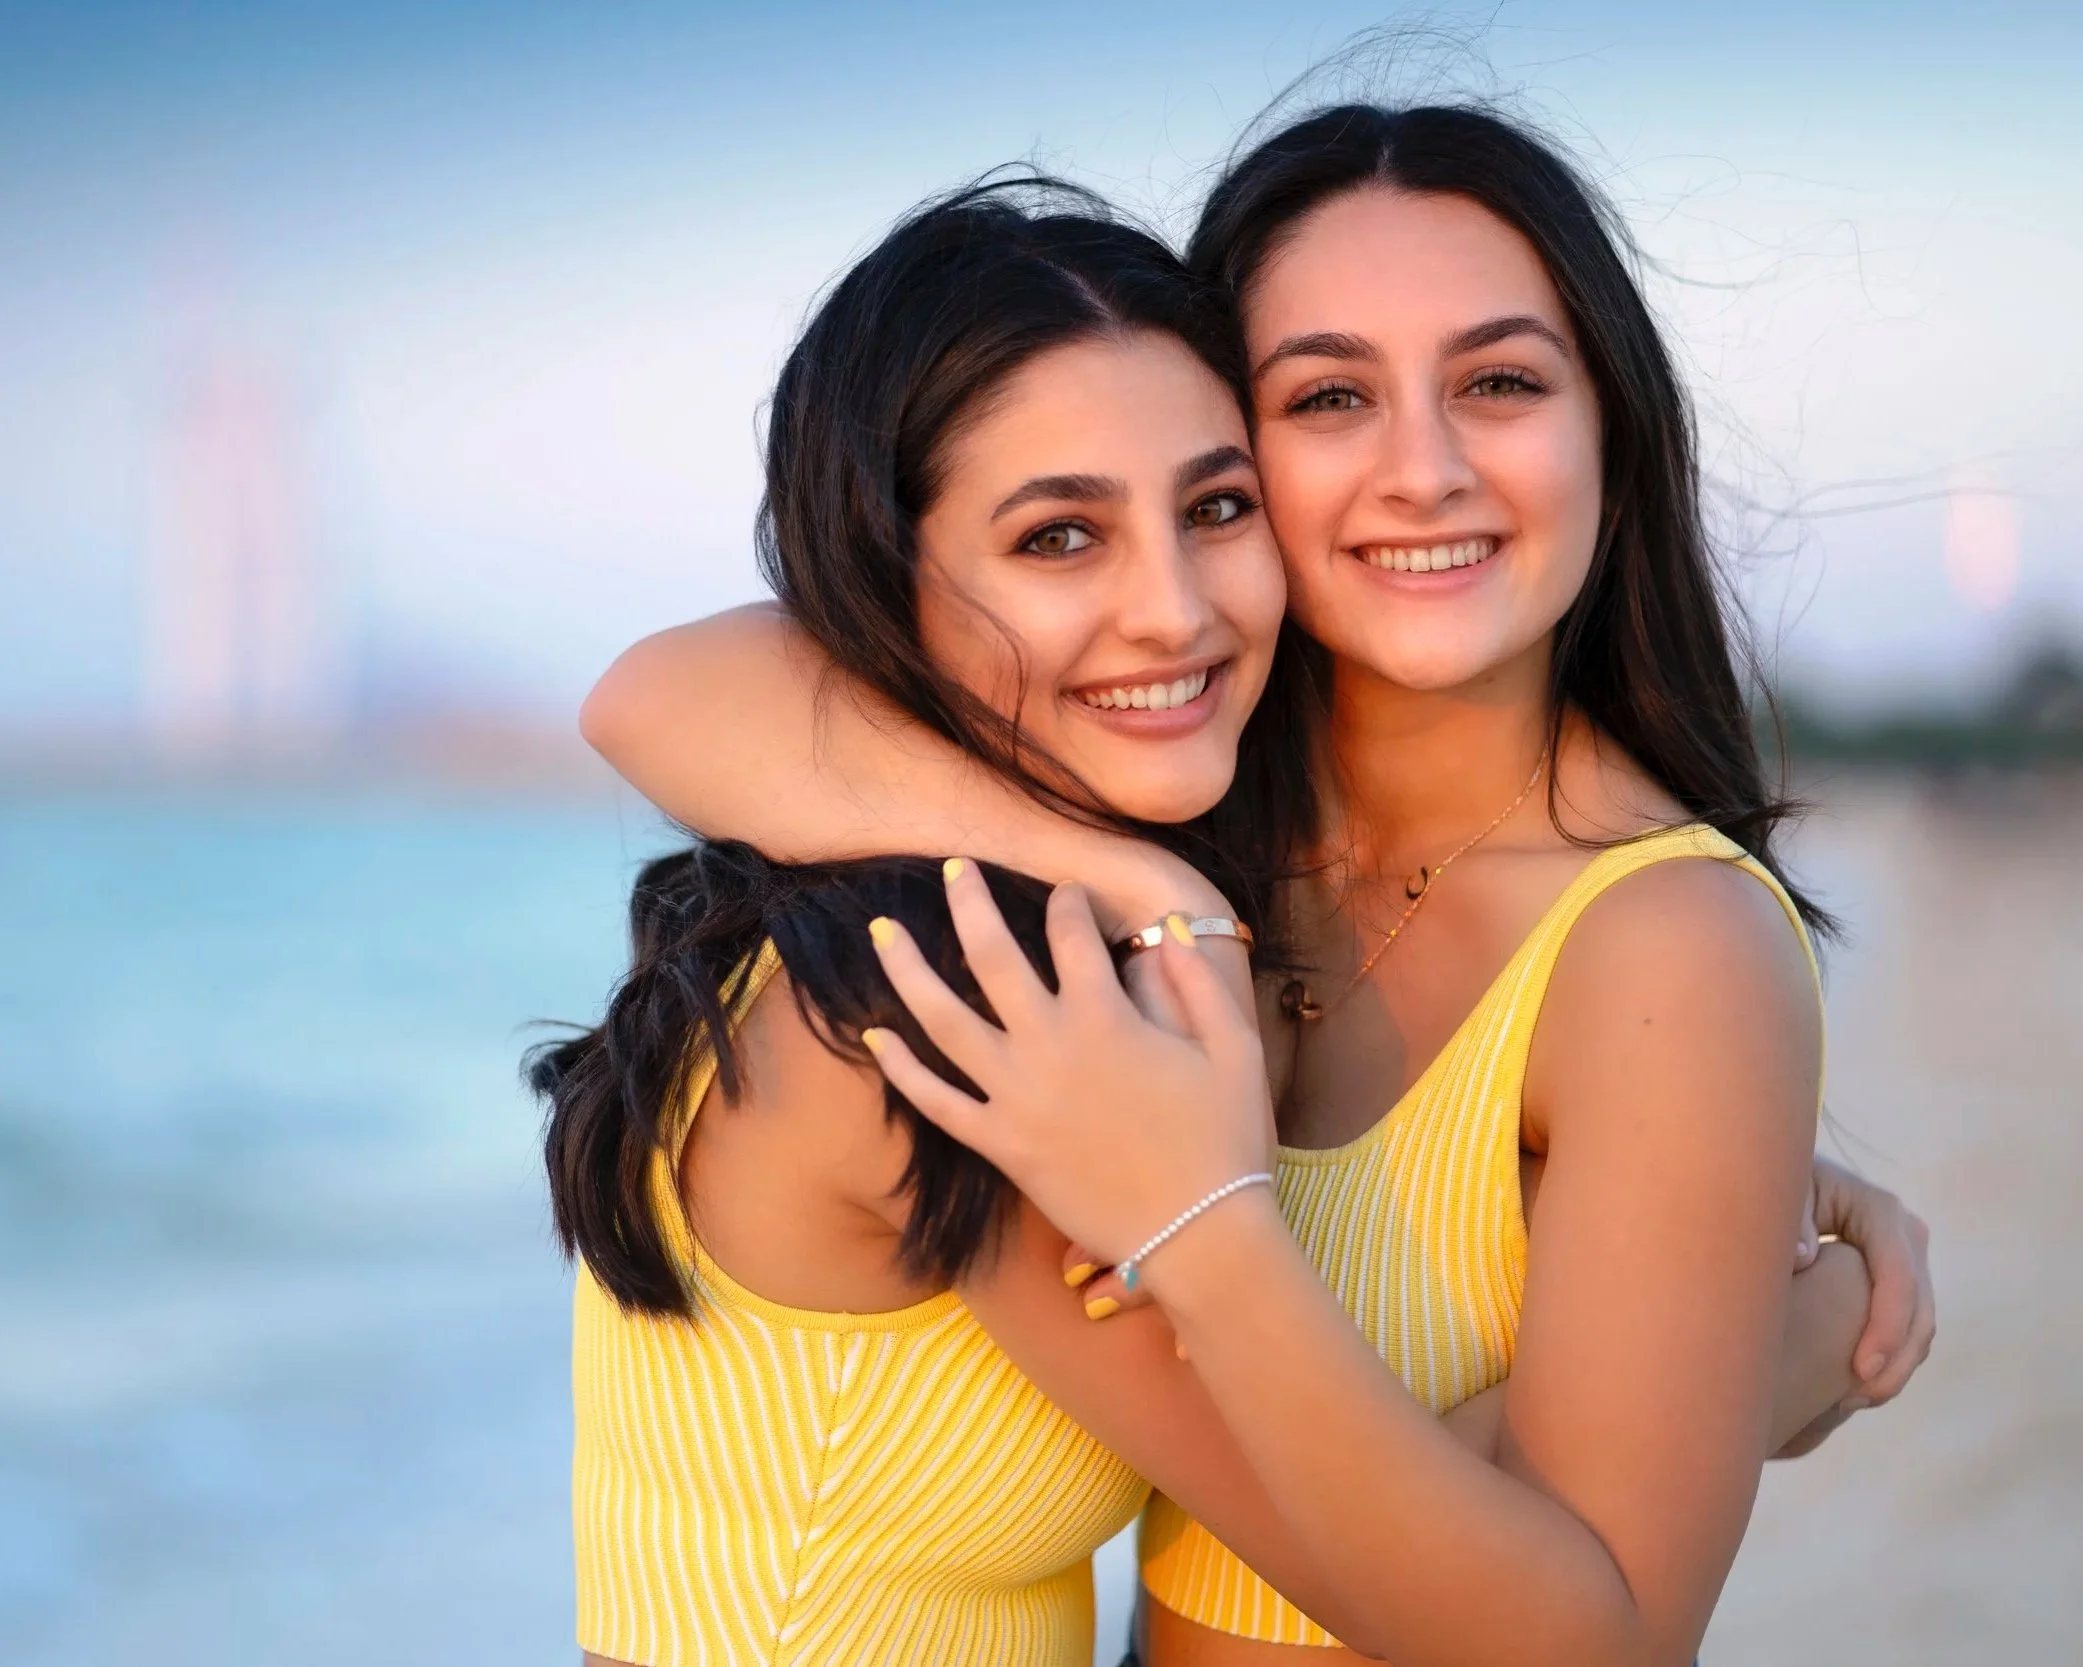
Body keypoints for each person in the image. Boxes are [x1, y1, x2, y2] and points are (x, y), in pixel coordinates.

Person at [578, 116, 1932, 1666]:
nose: (1421, 470)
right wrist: (1770, 1345)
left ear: (1611, 427)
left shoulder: (1597, 931)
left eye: (1498, 380)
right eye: (1331, 395)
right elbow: (650, 693)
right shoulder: (1006, 966)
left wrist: (1717, 1205)